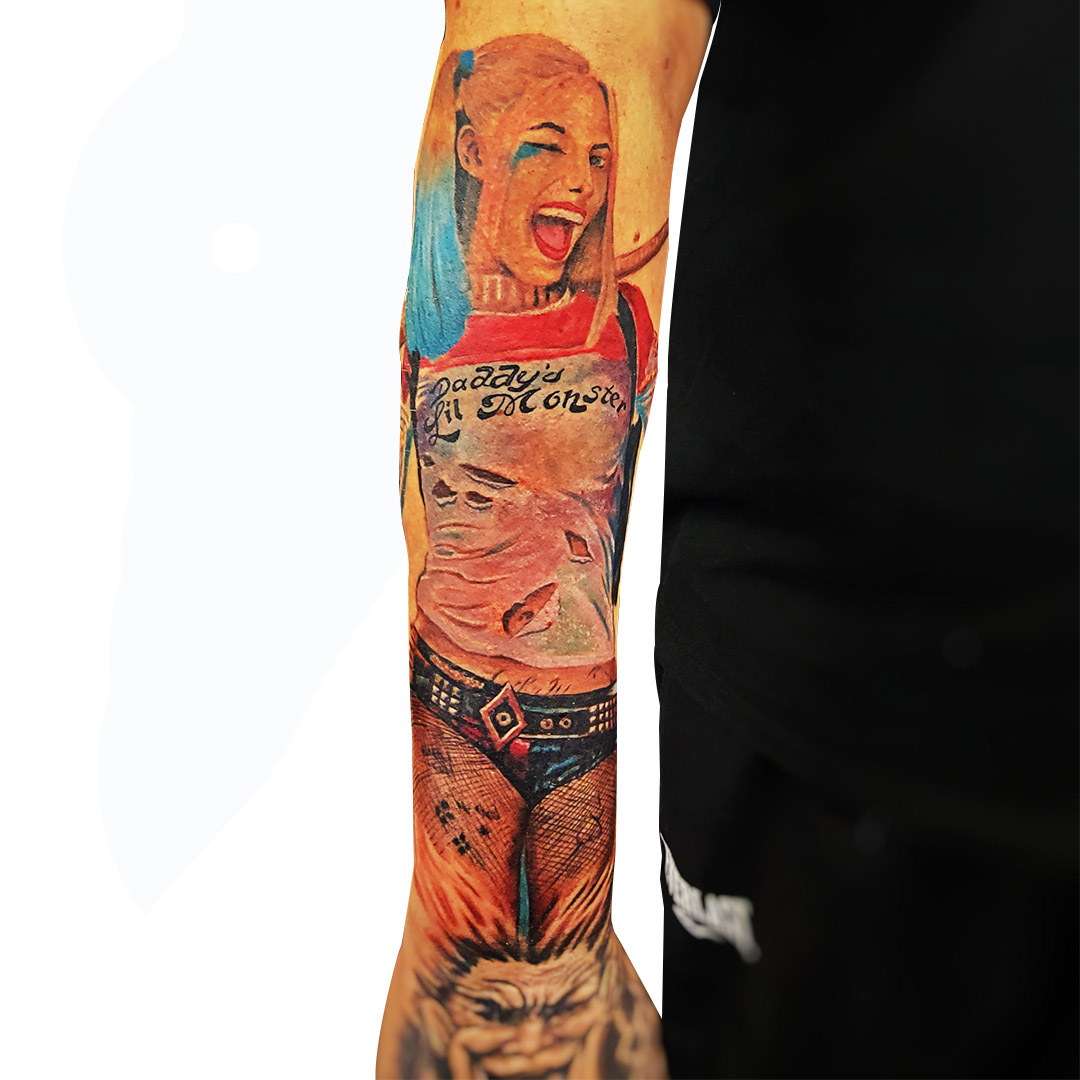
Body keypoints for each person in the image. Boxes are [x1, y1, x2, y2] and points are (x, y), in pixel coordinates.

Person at [380, 2, 1078, 1077]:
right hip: (853, 746)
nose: (581, 183)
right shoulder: (506, 325)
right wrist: (513, 963)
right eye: (546, 149)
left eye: (593, 159)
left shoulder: (606, 323)